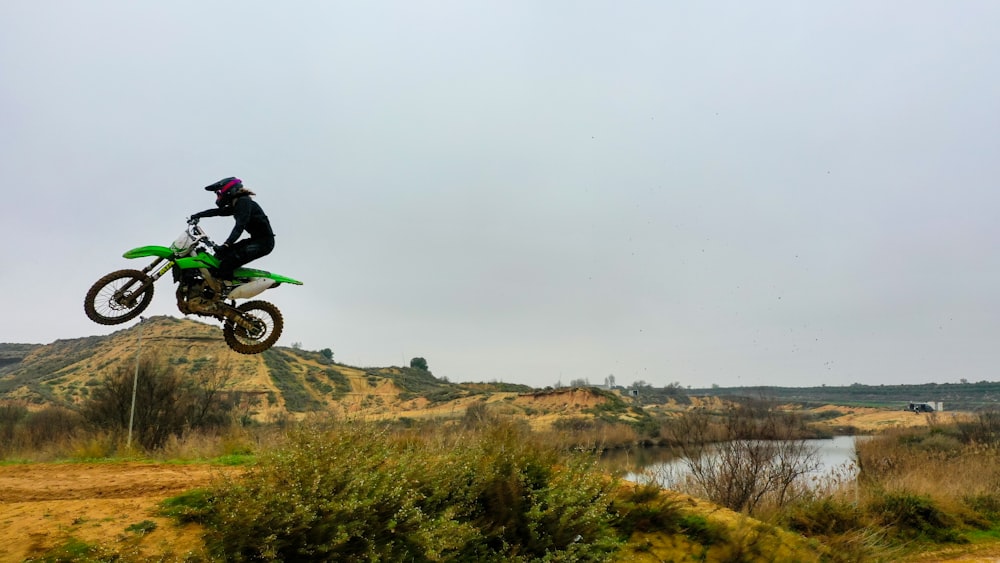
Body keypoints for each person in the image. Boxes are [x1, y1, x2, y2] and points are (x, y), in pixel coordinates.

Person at [188, 177, 275, 282]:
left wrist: (227, 244)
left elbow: (240, 226)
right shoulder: (237, 203)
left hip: (263, 243)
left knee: (227, 262)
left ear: (229, 190)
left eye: (219, 193)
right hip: (257, 240)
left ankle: (224, 289)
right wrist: (197, 215)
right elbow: (217, 212)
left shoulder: (244, 202)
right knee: (220, 256)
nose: (218, 196)